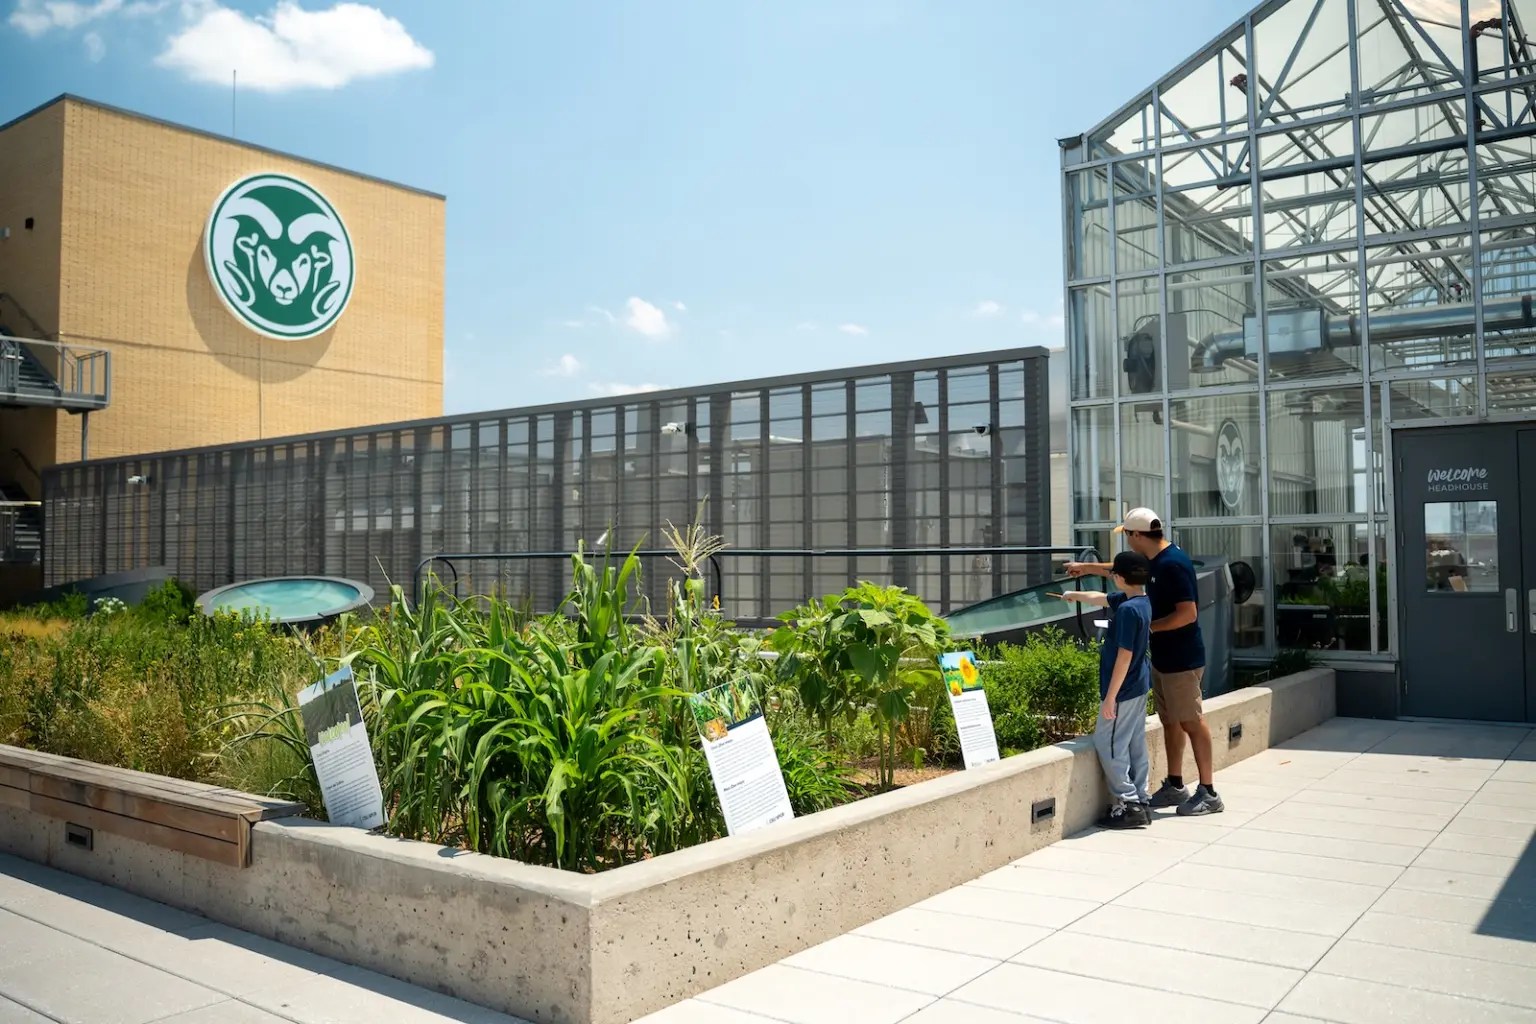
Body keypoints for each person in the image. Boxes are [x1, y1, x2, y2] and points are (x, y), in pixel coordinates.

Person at [1066, 508, 1223, 817]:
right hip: (1163, 657)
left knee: (1191, 720)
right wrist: (1085, 567)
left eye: (1127, 535)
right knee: (1170, 721)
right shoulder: (1152, 561)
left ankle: (1209, 792)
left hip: (1182, 658)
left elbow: (1188, 613)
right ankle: (1176, 784)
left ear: (1138, 536)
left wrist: (1147, 627)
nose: (1126, 542)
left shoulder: (1174, 564)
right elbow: (1120, 569)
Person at [1057, 550, 1153, 829]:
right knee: (1134, 742)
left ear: (1120, 578)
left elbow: (1124, 654)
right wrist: (1073, 596)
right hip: (1138, 685)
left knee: (1108, 743)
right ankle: (1141, 799)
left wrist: (1110, 697)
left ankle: (1128, 802)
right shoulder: (1140, 601)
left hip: (1122, 690)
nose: (1111, 577)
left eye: (1113, 574)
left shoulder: (1127, 611)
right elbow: (1101, 598)